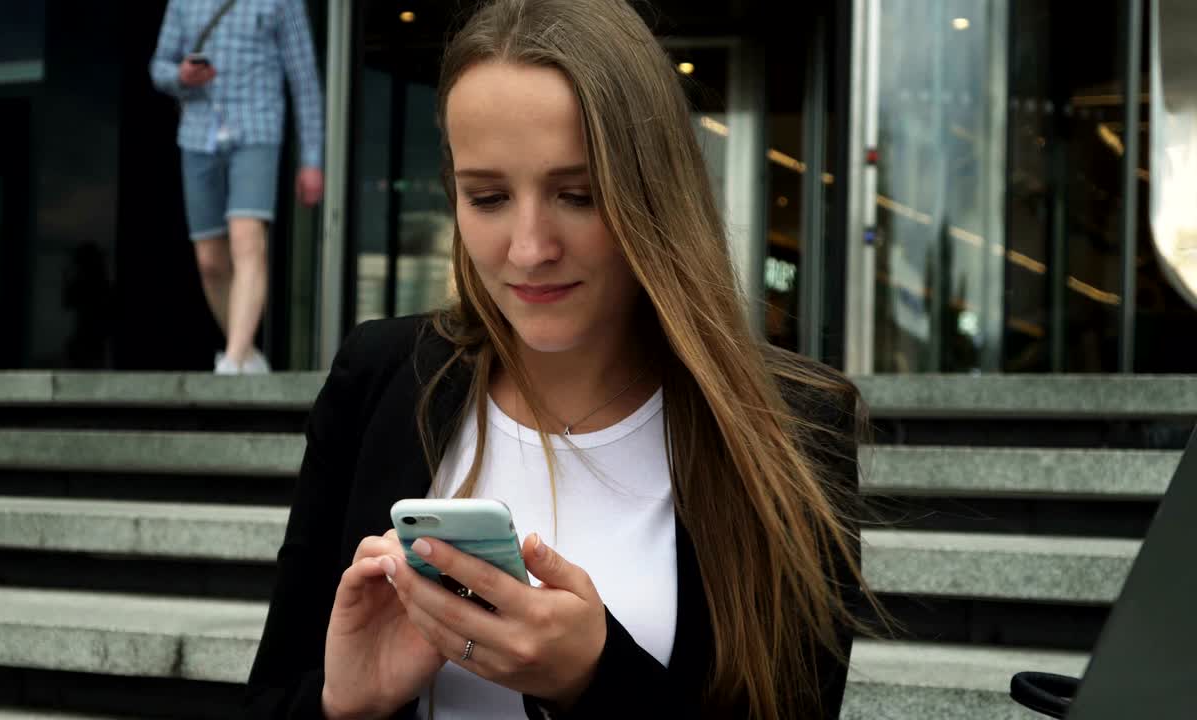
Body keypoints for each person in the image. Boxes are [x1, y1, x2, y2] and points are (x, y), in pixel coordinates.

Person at [245, 0, 880, 717]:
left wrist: (597, 678)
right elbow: (269, 696)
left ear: (654, 192)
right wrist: (340, 705)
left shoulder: (793, 425)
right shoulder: (380, 376)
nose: (529, 249)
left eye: (577, 195)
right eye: (486, 197)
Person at [150, 0, 324, 374]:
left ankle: (231, 361)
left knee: (247, 240)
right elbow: (158, 67)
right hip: (197, 135)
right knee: (210, 261)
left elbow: (304, 78)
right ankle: (245, 353)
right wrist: (180, 76)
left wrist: (311, 159)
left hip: (257, 130)